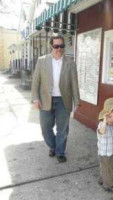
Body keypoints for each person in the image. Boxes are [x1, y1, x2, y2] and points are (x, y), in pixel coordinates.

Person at [31, 35, 81, 163]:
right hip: (45, 99)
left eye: (61, 46)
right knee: (45, 128)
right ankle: (53, 146)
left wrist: (77, 101)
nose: (59, 48)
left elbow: (74, 83)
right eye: (56, 46)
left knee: (62, 129)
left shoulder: (70, 62)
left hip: (64, 101)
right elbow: (36, 82)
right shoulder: (42, 61)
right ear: (51, 46)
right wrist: (35, 99)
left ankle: (59, 151)